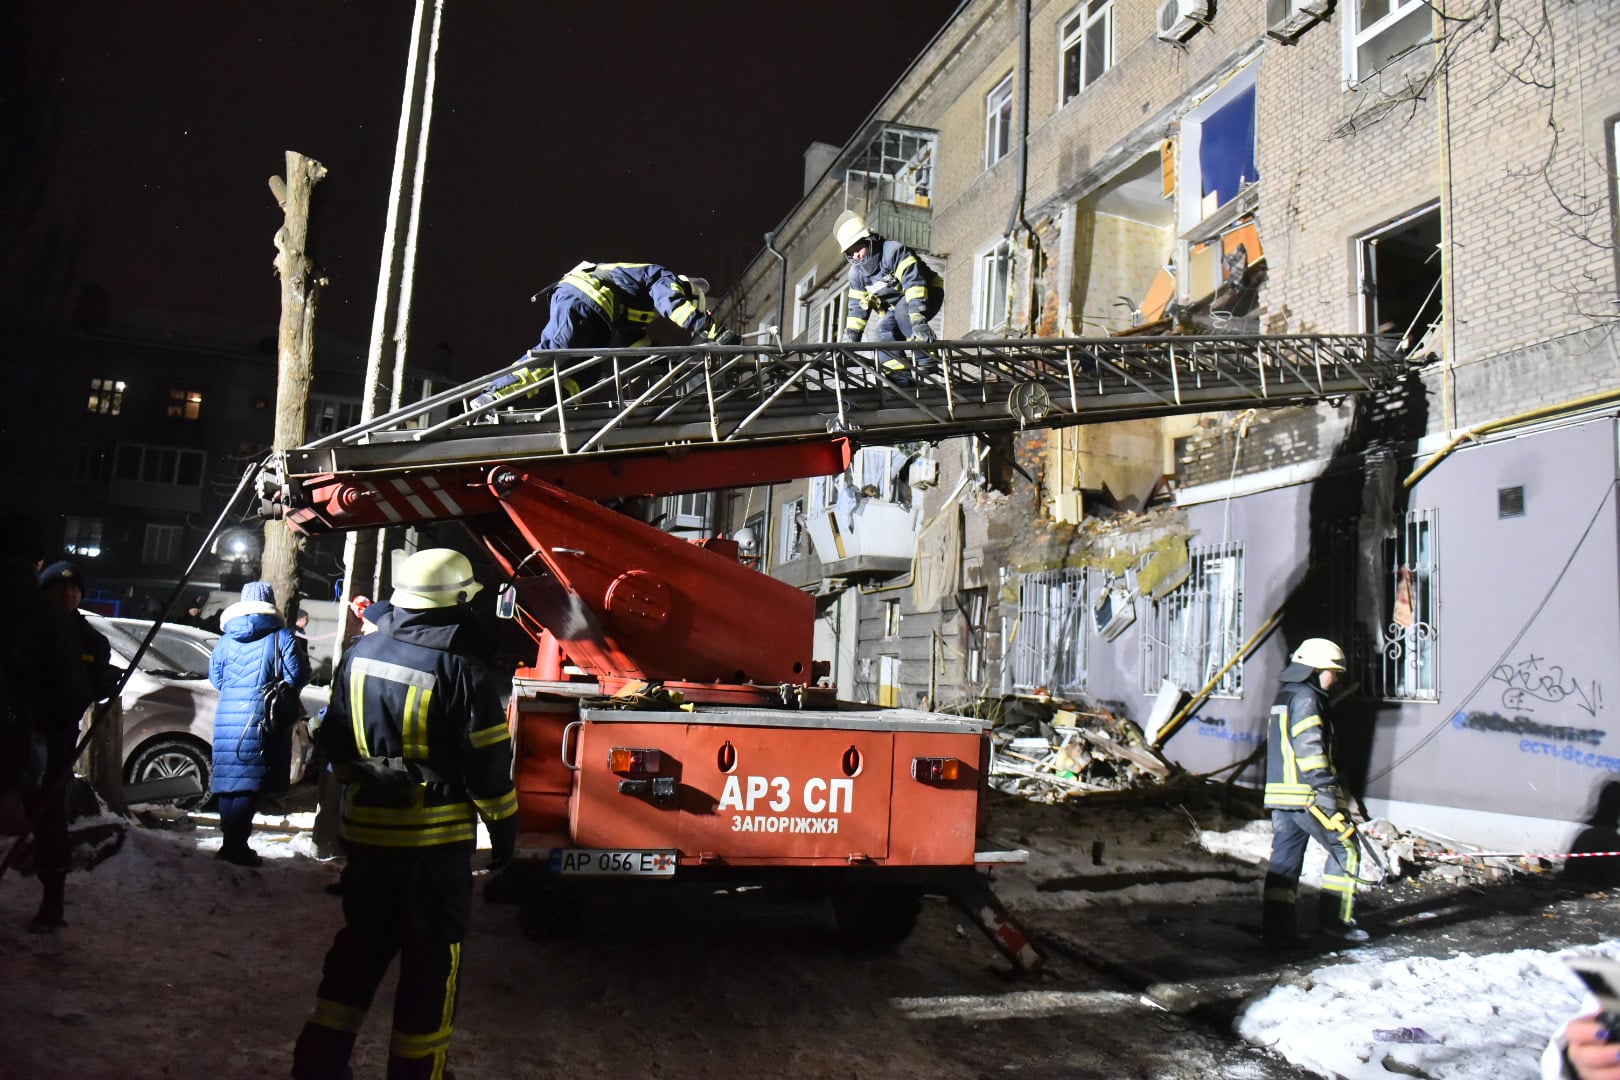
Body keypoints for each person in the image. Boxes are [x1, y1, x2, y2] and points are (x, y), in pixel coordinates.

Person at [291, 549, 517, 1080]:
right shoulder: (464, 669)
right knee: (431, 969)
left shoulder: (359, 651)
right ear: (456, 603)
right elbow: (487, 769)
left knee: (357, 956)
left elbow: (336, 740)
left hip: (367, 843)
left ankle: (318, 1065)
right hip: (433, 853)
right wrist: (506, 831)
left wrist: (366, 786)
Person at [473, 261, 740, 412]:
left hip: (599, 310)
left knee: (587, 371)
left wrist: (665, 364)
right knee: (558, 347)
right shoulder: (666, 280)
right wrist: (716, 331)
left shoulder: (644, 306)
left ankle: (551, 408)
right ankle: (494, 394)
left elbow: (633, 340)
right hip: (585, 295)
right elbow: (675, 307)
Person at [0, 519, 91, 932]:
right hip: (36, 738)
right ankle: (51, 902)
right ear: (37, 563)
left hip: (28, 732)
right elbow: (67, 690)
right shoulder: (47, 616)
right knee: (46, 814)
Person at [1261, 637, 1367, 947]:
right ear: (1316, 670)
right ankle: (1336, 924)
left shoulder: (1286, 695)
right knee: (1346, 849)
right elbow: (1309, 745)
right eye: (1333, 672)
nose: (1335, 679)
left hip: (1282, 798)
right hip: (1309, 796)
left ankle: (1276, 931)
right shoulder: (1307, 697)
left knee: (1284, 863)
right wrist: (1324, 787)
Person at [207, 581, 309, 867]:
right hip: (261, 716)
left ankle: (230, 842)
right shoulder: (282, 637)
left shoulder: (225, 640)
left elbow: (216, 678)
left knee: (229, 781)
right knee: (249, 783)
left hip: (228, 714)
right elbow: (297, 676)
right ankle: (236, 847)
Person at [834, 209, 944, 385]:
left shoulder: (893, 251)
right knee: (883, 332)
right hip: (899, 308)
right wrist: (850, 340)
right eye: (850, 252)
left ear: (869, 241)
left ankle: (927, 358)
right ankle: (900, 379)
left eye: (858, 248)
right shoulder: (856, 275)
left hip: (927, 292)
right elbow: (857, 309)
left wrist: (918, 321)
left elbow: (914, 284)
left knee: (903, 311)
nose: (856, 255)